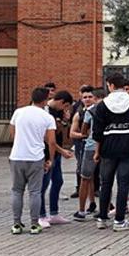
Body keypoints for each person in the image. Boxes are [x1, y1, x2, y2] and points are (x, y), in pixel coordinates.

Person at [92, 73, 129, 231]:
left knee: (105, 183)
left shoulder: (102, 105)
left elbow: (97, 132)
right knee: (123, 184)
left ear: (111, 85)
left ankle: (102, 218)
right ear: (125, 86)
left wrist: (97, 151)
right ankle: (120, 221)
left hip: (108, 149)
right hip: (128, 148)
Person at [9, 87, 58, 234]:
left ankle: (16, 224)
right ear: (44, 100)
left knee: (17, 191)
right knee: (35, 192)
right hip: (36, 157)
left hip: (17, 156)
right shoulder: (47, 117)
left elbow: (12, 133)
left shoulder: (19, 112)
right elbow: (51, 141)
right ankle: (35, 223)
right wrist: (50, 159)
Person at [39, 90, 75, 227]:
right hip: (46, 152)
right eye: (65, 106)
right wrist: (63, 151)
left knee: (58, 181)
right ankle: (41, 215)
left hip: (57, 151)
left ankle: (54, 213)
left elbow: (58, 131)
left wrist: (65, 120)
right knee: (43, 184)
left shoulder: (58, 112)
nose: (65, 109)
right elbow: (48, 138)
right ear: (61, 102)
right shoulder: (45, 111)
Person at [72, 89, 102, 221]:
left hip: (91, 146)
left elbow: (84, 131)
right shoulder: (111, 110)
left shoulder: (90, 112)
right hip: (106, 147)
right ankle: (105, 209)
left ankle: (81, 210)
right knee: (105, 180)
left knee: (85, 178)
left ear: (95, 98)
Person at [70, 85, 94, 199]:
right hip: (82, 144)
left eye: (90, 96)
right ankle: (80, 188)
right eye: (85, 97)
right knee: (81, 167)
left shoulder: (99, 111)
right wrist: (84, 135)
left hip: (95, 144)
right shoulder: (79, 113)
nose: (87, 99)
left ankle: (95, 191)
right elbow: (72, 133)